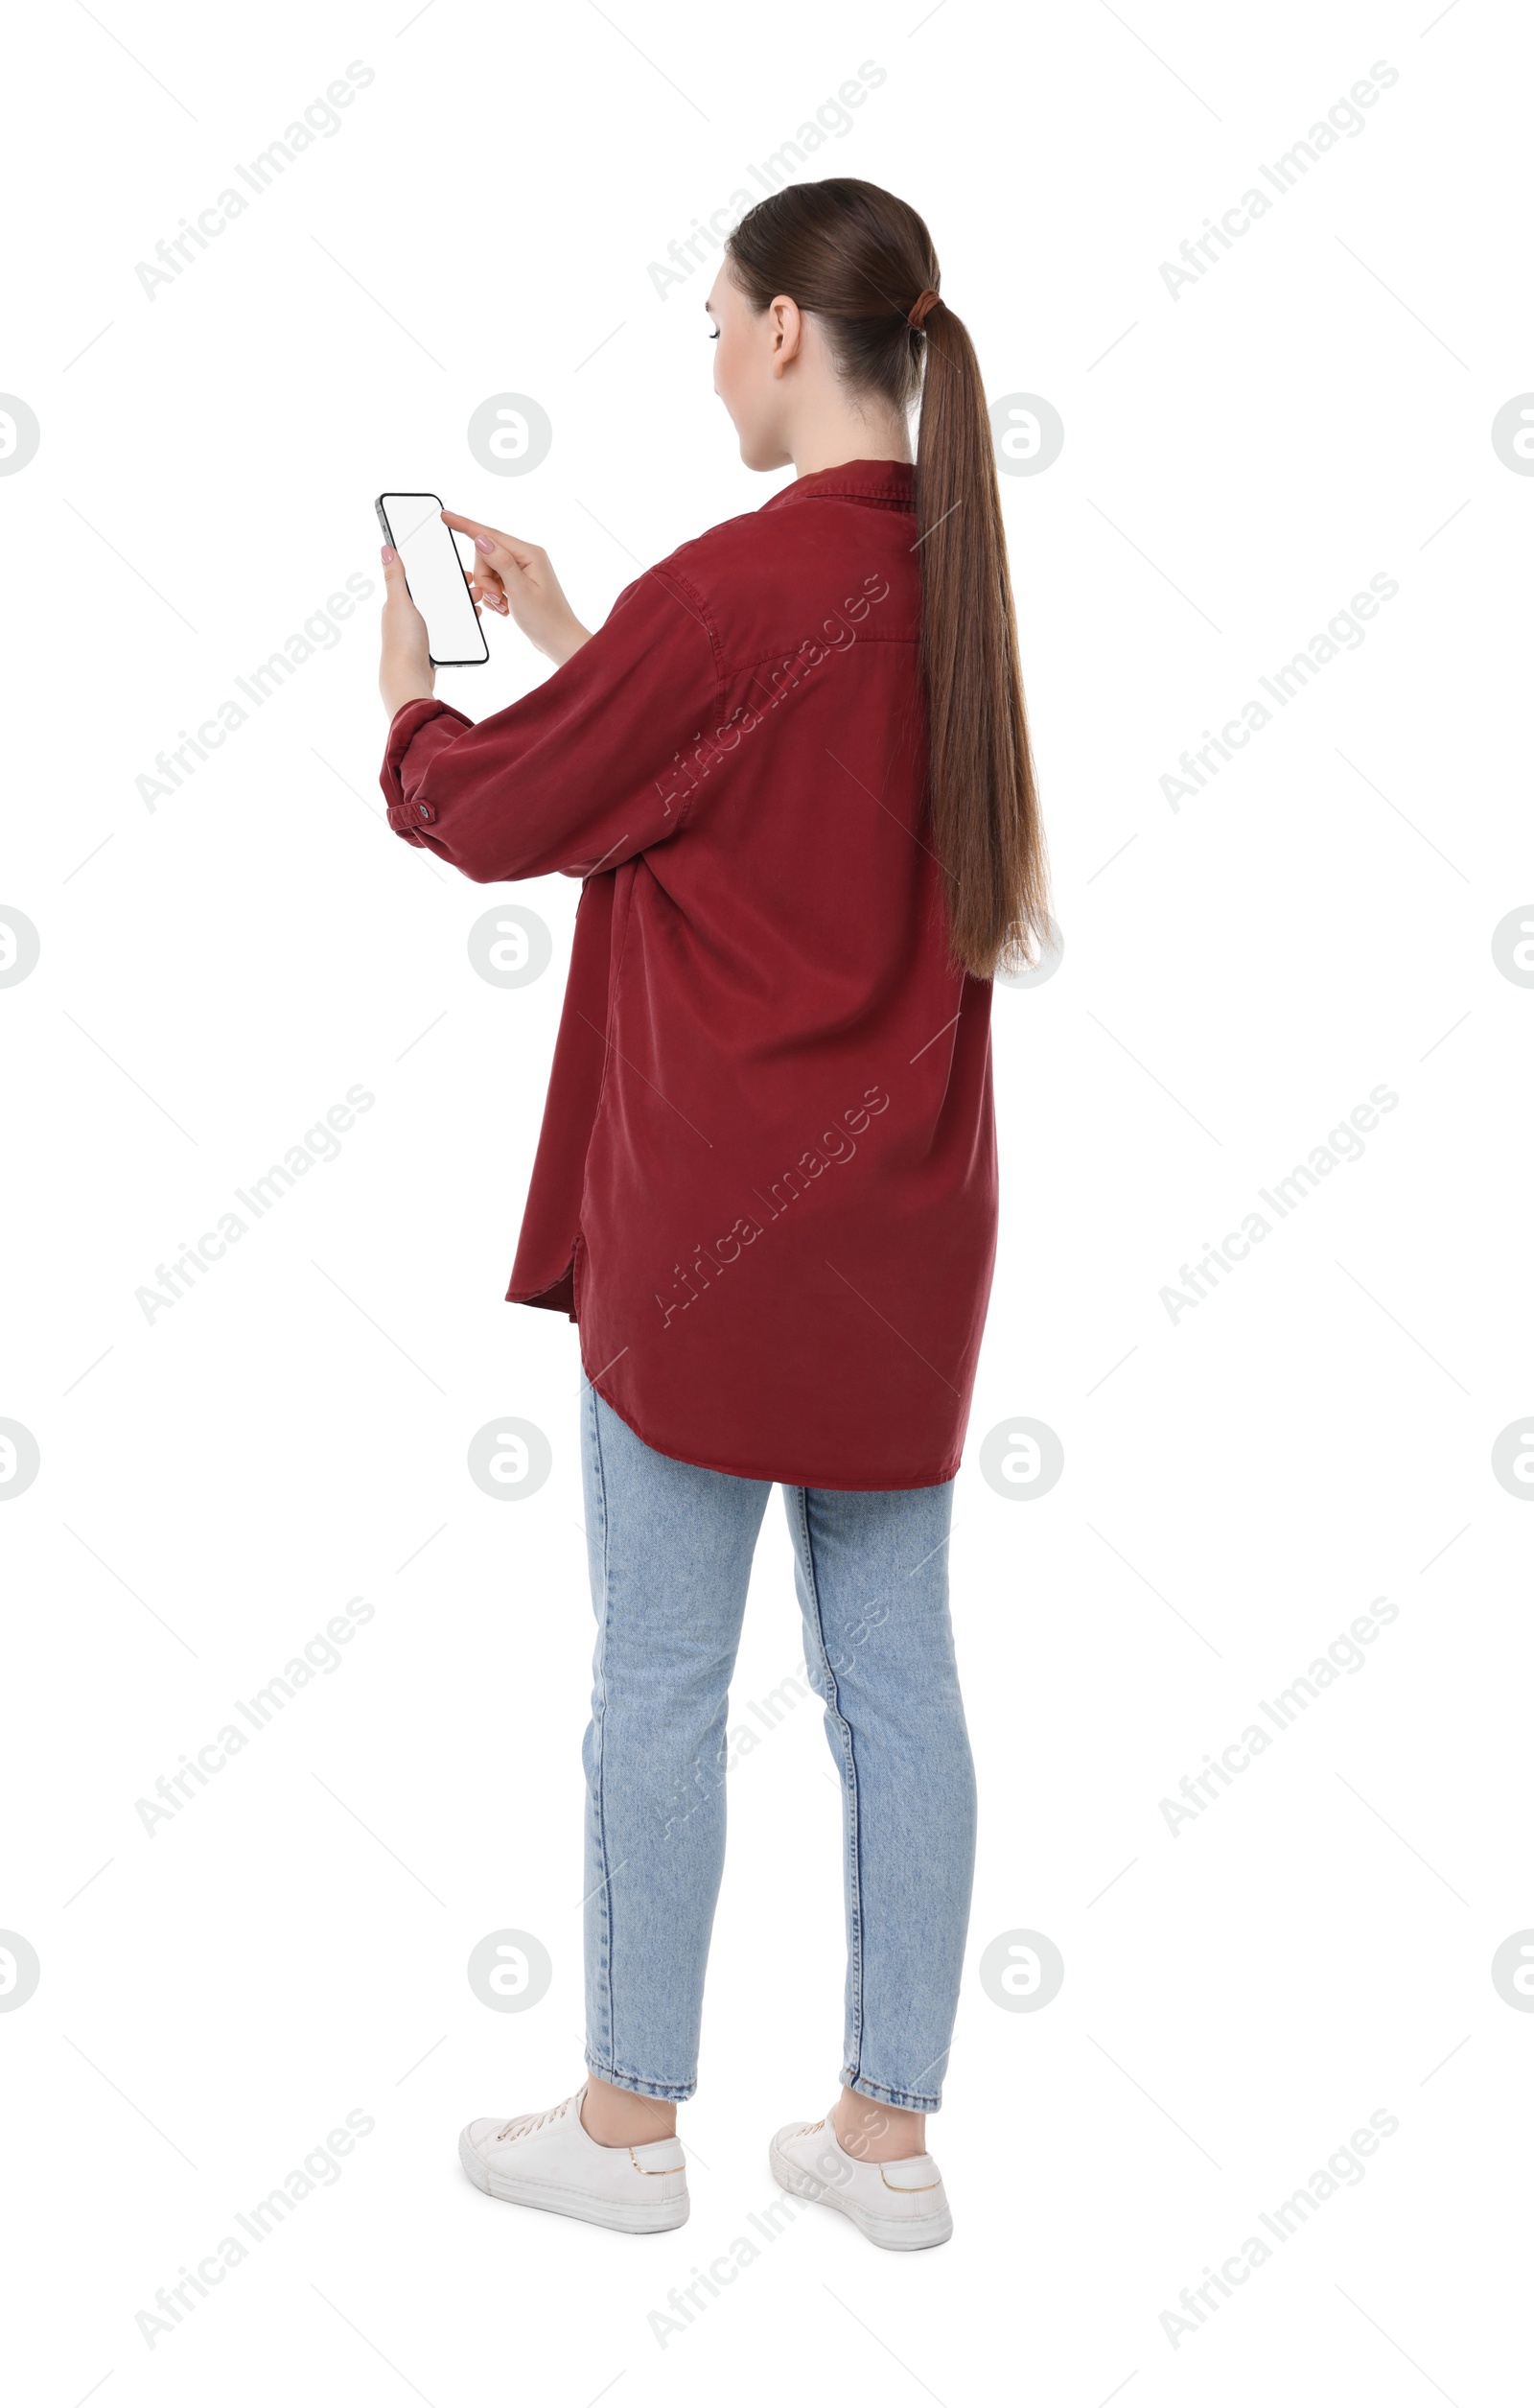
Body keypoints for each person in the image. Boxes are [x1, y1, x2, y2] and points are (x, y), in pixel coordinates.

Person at [376, 176, 1047, 2251]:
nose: (707, 352)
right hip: (904, 1249)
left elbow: (503, 809)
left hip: (705, 1244)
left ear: (779, 334)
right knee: (899, 1680)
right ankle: (882, 2141)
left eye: (710, 316)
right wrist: (590, 631)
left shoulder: (740, 581)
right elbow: (740, 771)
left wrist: (416, 692)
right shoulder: (950, 584)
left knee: (658, 1677)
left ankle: (624, 2121)